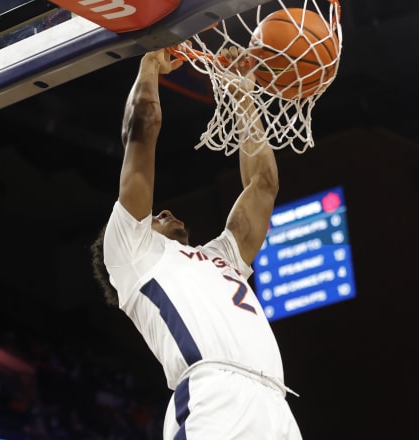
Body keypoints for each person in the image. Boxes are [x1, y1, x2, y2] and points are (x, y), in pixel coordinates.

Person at [89, 45, 302, 439]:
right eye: (153, 218)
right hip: (214, 397)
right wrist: (150, 63)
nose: (163, 212)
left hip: (275, 402)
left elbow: (264, 184)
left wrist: (243, 95)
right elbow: (143, 126)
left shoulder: (220, 256)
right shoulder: (134, 256)